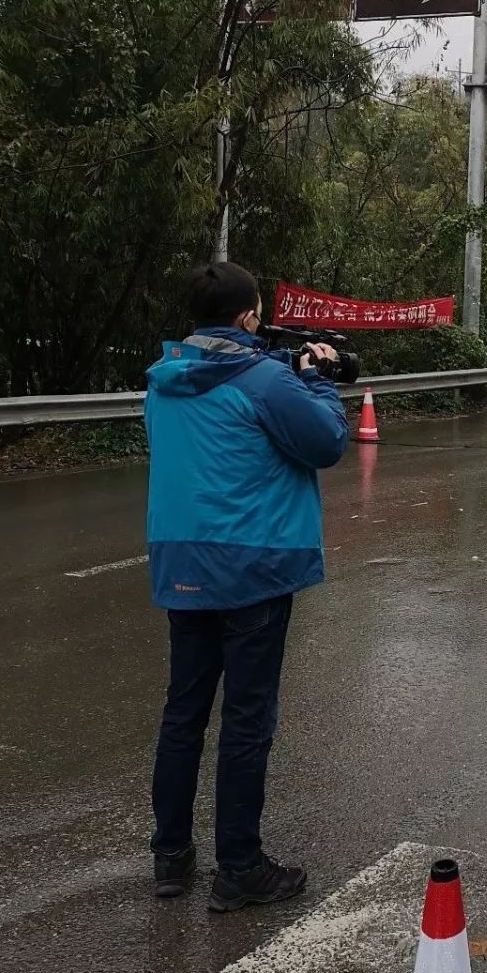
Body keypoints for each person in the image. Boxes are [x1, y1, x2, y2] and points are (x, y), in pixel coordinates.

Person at [144, 262, 349, 911]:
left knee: (184, 713)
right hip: (252, 569)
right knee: (246, 719)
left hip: (182, 563)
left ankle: (171, 856)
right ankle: (239, 867)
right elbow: (326, 442)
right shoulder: (265, 380)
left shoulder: (163, 380)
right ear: (248, 317)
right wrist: (317, 379)